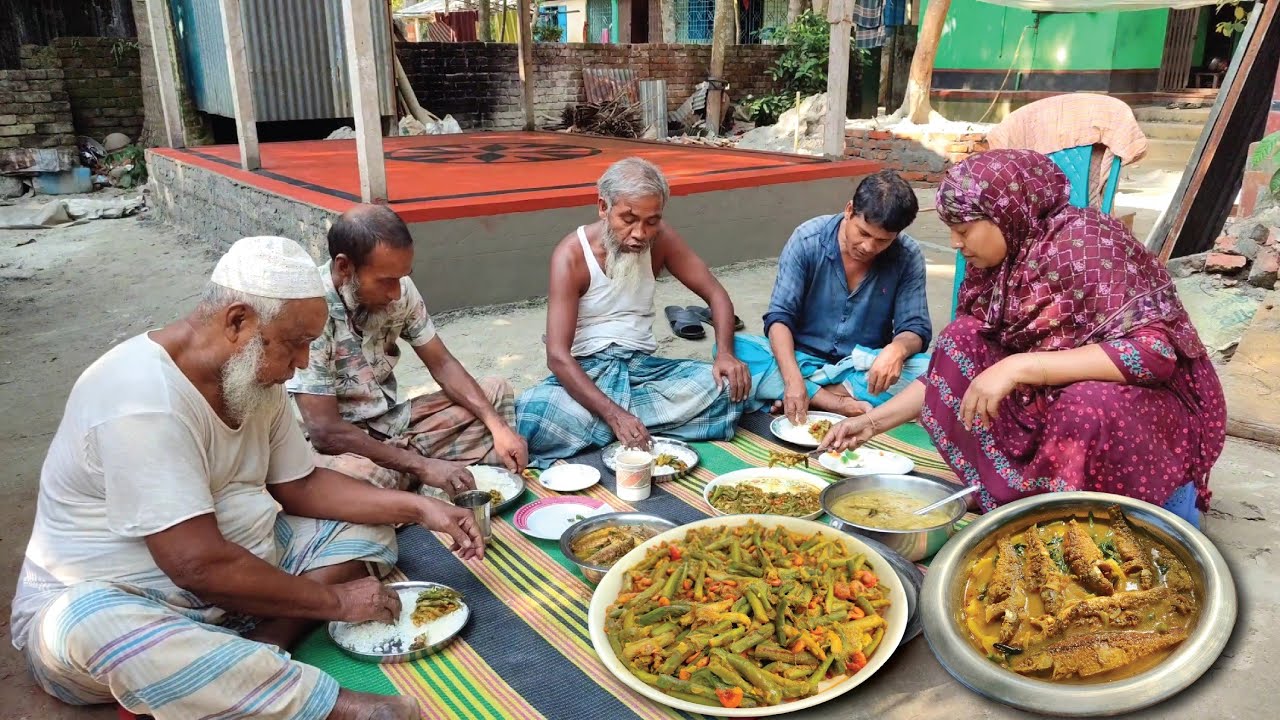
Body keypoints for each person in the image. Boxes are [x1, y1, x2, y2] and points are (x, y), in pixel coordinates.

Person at [10, 236, 484, 720]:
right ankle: (340, 706)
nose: (303, 362)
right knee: (94, 624)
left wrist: (421, 508)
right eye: (296, 342)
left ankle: (256, 650)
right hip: (132, 596)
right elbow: (195, 565)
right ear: (238, 322)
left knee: (368, 527)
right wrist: (332, 600)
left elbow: (301, 486)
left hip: (238, 571)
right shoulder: (141, 399)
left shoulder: (254, 377)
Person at [821, 150, 1225, 525]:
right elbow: (950, 373)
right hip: (1051, 388)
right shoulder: (998, 267)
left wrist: (1020, 366)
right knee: (960, 339)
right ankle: (1007, 491)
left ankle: (1086, 514)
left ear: (1006, 214)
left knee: (1085, 406)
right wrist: (871, 423)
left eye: (963, 230)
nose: (955, 244)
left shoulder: (1086, 245)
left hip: (1142, 405)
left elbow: (1152, 355)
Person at [516, 157, 751, 467]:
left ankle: (611, 431)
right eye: (628, 219)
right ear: (603, 207)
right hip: (590, 374)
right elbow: (558, 356)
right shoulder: (571, 255)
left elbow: (716, 295)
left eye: (651, 221)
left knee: (726, 388)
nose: (640, 232)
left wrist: (724, 354)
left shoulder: (662, 239)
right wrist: (615, 414)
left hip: (642, 370)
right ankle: (630, 426)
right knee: (535, 410)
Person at [288, 205, 527, 499]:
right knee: (364, 478)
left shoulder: (400, 288)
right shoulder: (310, 310)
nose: (397, 293)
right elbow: (326, 433)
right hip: (341, 447)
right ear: (344, 267)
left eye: (401, 278)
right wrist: (422, 465)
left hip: (393, 425)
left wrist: (497, 426)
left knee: (495, 393)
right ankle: (419, 478)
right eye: (386, 281)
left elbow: (442, 364)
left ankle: (410, 481)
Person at [732, 170, 933, 424]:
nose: (869, 247)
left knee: (937, 373)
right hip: (798, 360)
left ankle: (805, 394)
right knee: (732, 349)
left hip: (860, 369)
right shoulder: (807, 240)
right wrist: (793, 380)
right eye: (863, 233)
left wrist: (897, 349)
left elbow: (915, 327)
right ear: (849, 210)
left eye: (883, 241)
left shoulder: (907, 255)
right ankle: (832, 402)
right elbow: (779, 318)